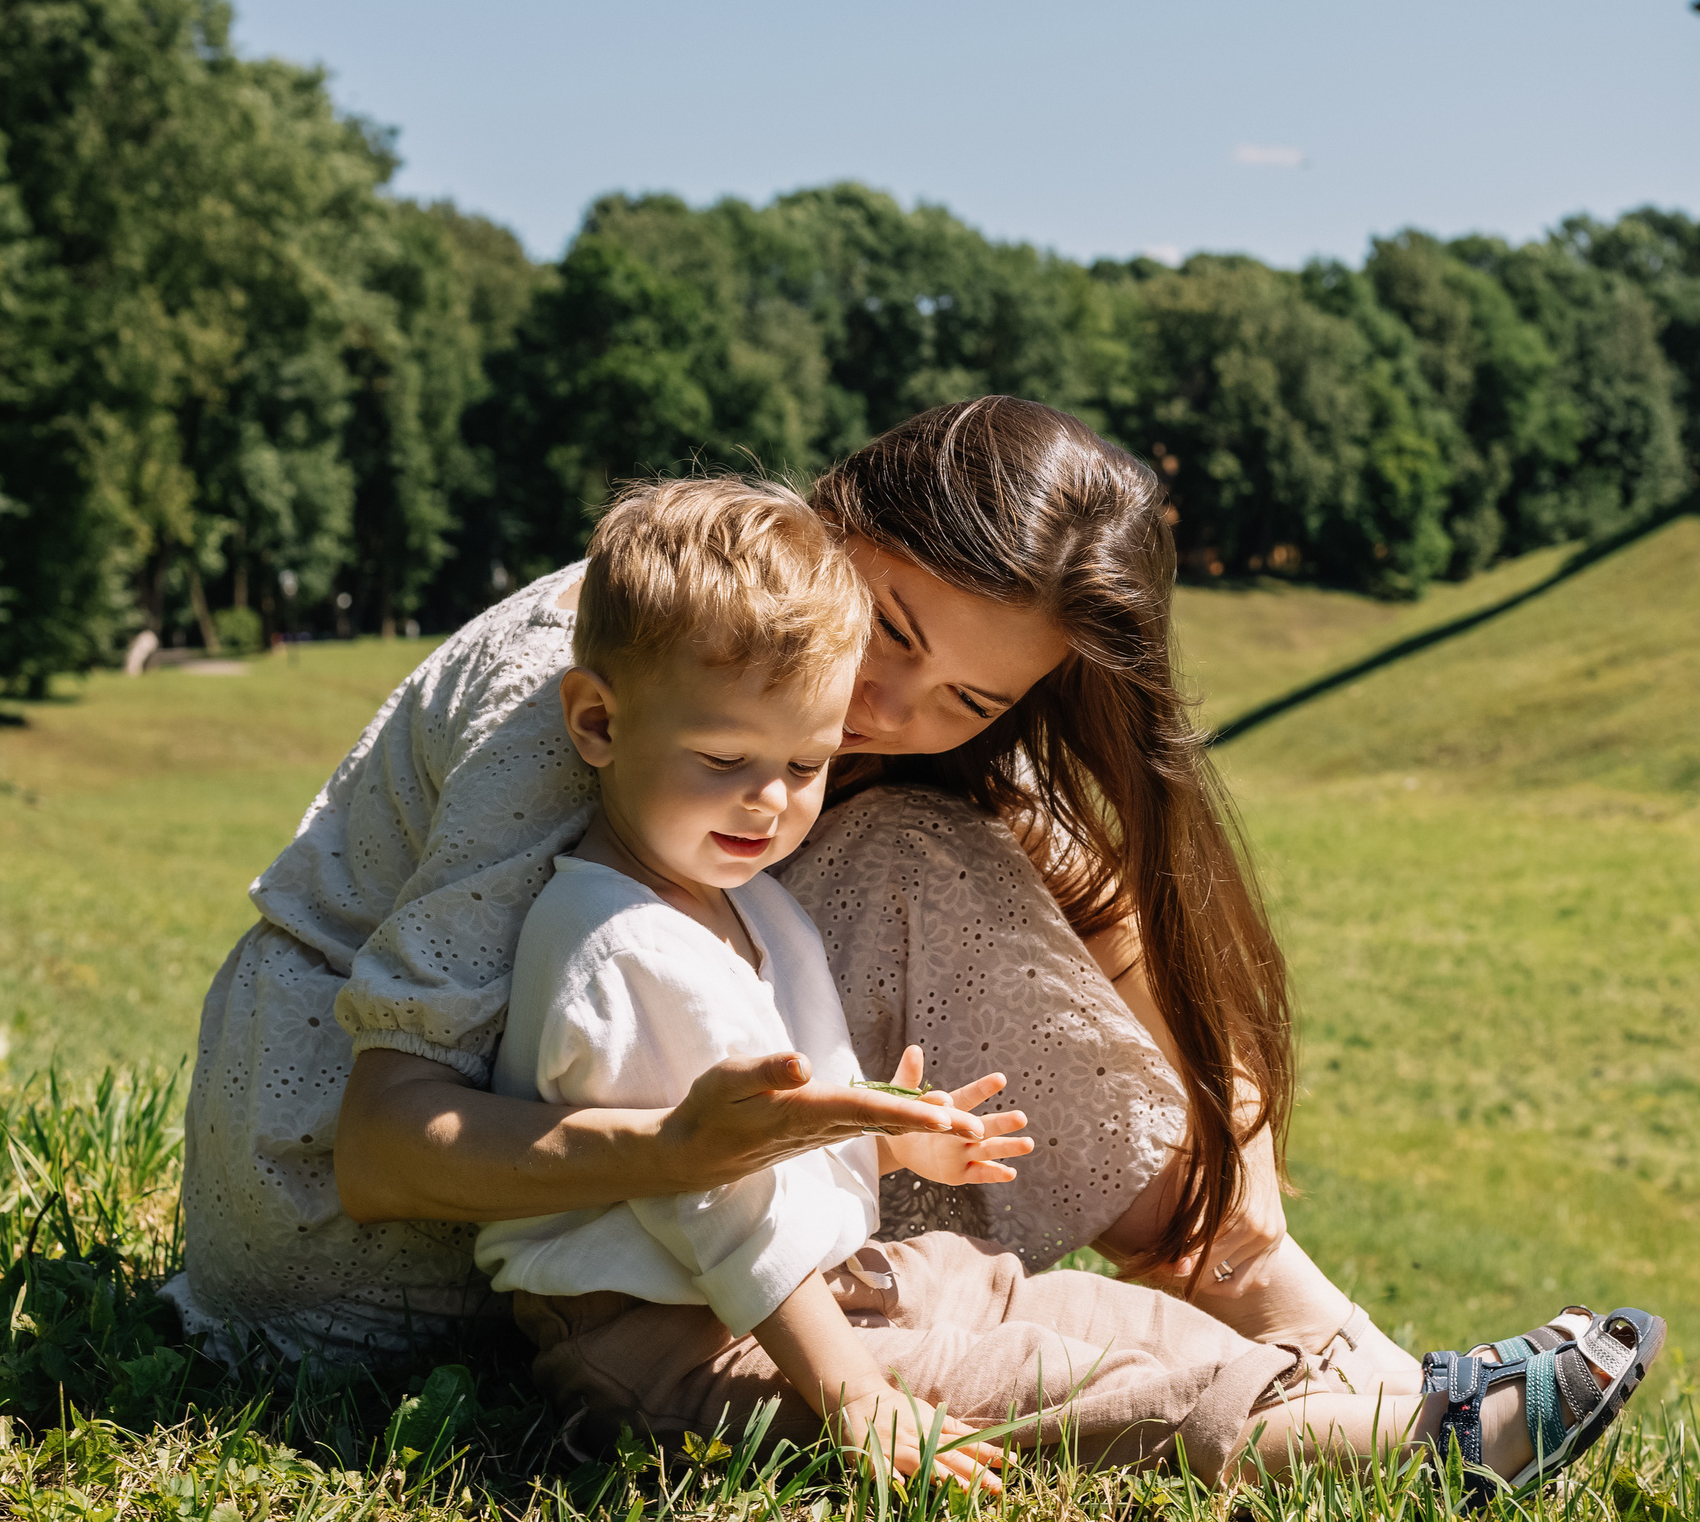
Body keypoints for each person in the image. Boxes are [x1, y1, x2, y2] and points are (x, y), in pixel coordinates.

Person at [162, 398, 1659, 1496]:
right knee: (922, 873)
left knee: (949, 863)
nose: (885, 710)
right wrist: (690, 1159)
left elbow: (1095, 880)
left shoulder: (789, 722)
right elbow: (378, 1137)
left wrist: (1241, 1184)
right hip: (345, 1253)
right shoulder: (634, 668)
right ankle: (1384, 1419)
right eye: (890, 626)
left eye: (970, 702)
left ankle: (1384, 1385)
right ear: (842, 513)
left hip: (636, 1233)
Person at [479, 475, 1497, 1489]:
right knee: (1064, 1389)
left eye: (806, 763)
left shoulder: (743, 901)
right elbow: (726, 1215)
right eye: (724, 757)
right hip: (679, 1341)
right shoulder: (623, 946)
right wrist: (860, 1401)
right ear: (599, 725)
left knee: (1089, 1312)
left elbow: (780, 1124)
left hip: (814, 1284)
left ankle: (1394, 1389)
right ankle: (1417, 1447)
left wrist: (889, 1139)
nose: (769, 800)